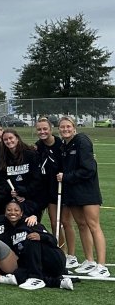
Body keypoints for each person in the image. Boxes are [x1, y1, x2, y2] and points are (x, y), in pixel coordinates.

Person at [57, 117, 109, 278]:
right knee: (81, 225)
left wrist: (66, 177)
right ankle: (90, 260)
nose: (65, 129)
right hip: (73, 192)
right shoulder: (65, 145)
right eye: (62, 127)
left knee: (93, 225)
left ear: (74, 127)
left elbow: (88, 170)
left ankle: (102, 265)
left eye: (68, 126)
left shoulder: (82, 141)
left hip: (87, 191)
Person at [0, 200, 73, 290]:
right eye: (9, 210)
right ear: (5, 213)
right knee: (19, 274)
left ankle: (36, 277)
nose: (12, 212)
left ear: (21, 213)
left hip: (54, 259)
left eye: (16, 210)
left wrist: (41, 236)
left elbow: (53, 240)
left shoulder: (29, 223)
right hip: (38, 265)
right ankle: (59, 282)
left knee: (32, 238)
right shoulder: (6, 230)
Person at [35, 117, 77, 268]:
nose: (42, 132)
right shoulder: (38, 146)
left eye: (45, 129)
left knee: (65, 222)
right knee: (54, 223)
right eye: (39, 129)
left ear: (51, 129)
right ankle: (60, 251)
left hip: (61, 188)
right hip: (46, 189)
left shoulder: (61, 144)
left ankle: (71, 255)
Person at [0, 129, 44, 217]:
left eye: (11, 138)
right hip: (14, 199)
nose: (9, 141)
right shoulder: (3, 158)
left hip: (31, 199)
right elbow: (3, 179)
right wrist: (13, 193)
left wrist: (24, 193)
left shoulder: (31, 155)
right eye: (5, 139)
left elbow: (37, 179)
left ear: (17, 138)